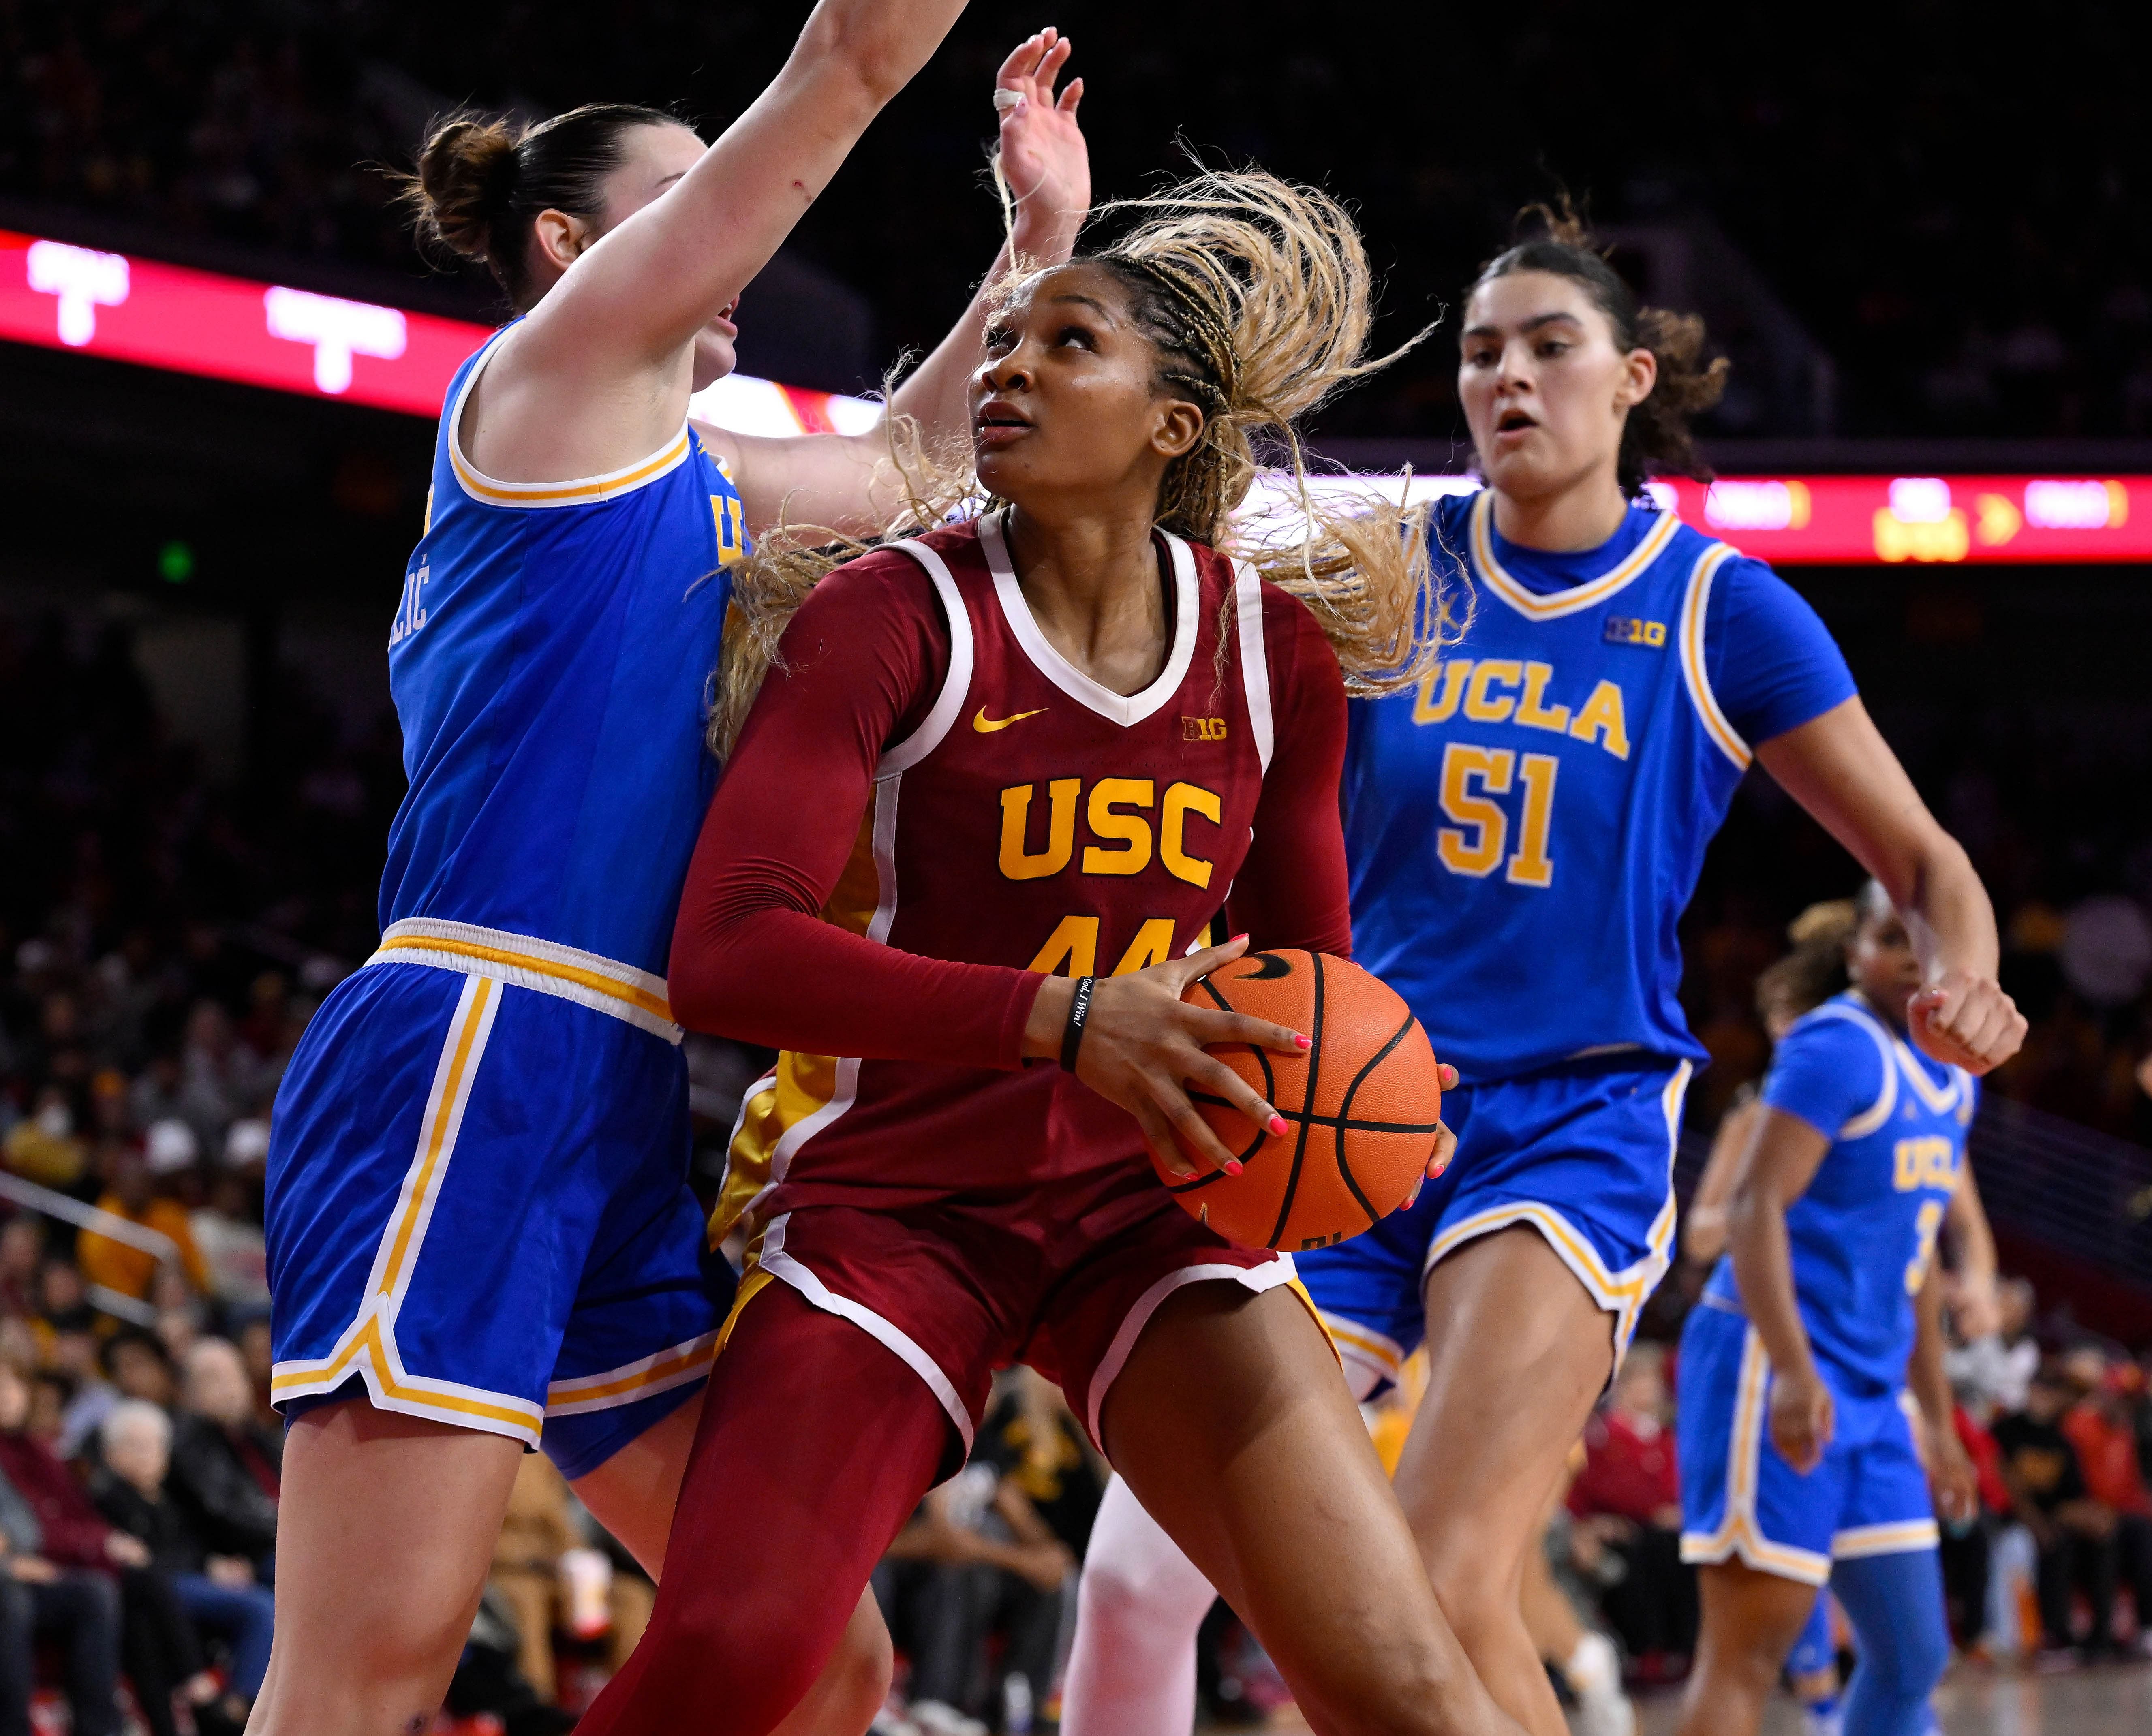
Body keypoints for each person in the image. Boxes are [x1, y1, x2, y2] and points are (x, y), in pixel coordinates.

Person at [1060, 205, 2027, 1736]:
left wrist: (1962, 976)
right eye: (1478, 353)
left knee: (1442, 1582)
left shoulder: (1718, 609)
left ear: (1631, 378)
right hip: (1339, 1110)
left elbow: (1926, 866)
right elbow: (1142, 530)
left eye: (1546, 347)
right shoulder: (1381, 560)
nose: (1505, 377)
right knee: (1132, 1579)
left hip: (1567, 1119)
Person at [576, 168, 1515, 1736]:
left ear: (1171, 425)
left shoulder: (1272, 657)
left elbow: (1310, 1004)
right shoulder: (891, 614)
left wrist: (1355, 1120)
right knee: (740, 1657)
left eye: (1063, 343)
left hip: (1143, 1210)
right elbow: (728, 955)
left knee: (1411, 1686)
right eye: (1000, 345)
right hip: (890, 1201)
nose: (1006, 368)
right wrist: (1062, 1018)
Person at [254, 8, 1093, 1732]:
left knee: (805, 1657)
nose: (742, 243)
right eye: (697, 201)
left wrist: (1036, 250)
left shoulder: (694, 482)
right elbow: (848, 64)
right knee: (371, 1668)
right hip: (473, 1040)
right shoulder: (537, 395)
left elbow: (917, 468)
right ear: (571, 249)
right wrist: (876, 81)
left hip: (618, 1082)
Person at [1673, 883, 1982, 1736]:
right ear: (1853, 953)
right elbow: (1749, 1210)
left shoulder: (1955, 1076)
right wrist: (1798, 1371)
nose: (1915, 955)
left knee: (1914, 1655)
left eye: (1929, 936)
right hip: (1771, 1363)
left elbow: (1913, 1264)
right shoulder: (1836, 1045)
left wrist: (1942, 1423)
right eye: (1891, 937)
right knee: (1747, 1657)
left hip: (1874, 1393)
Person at [94, 1399, 270, 1736]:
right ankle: (237, 1713)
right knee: (259, 1607)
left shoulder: (170, 1496)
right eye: (136, 1446)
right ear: (111, 1454)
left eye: (155, 1445)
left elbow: (194, 1544)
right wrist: (206, 1566)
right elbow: (146, 1560)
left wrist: (216, 1563)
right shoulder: (109, 1498)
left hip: (191, 1580)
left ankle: (242, 1706)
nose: (148, 1454)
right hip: (163, 1589)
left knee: (262, 1592)